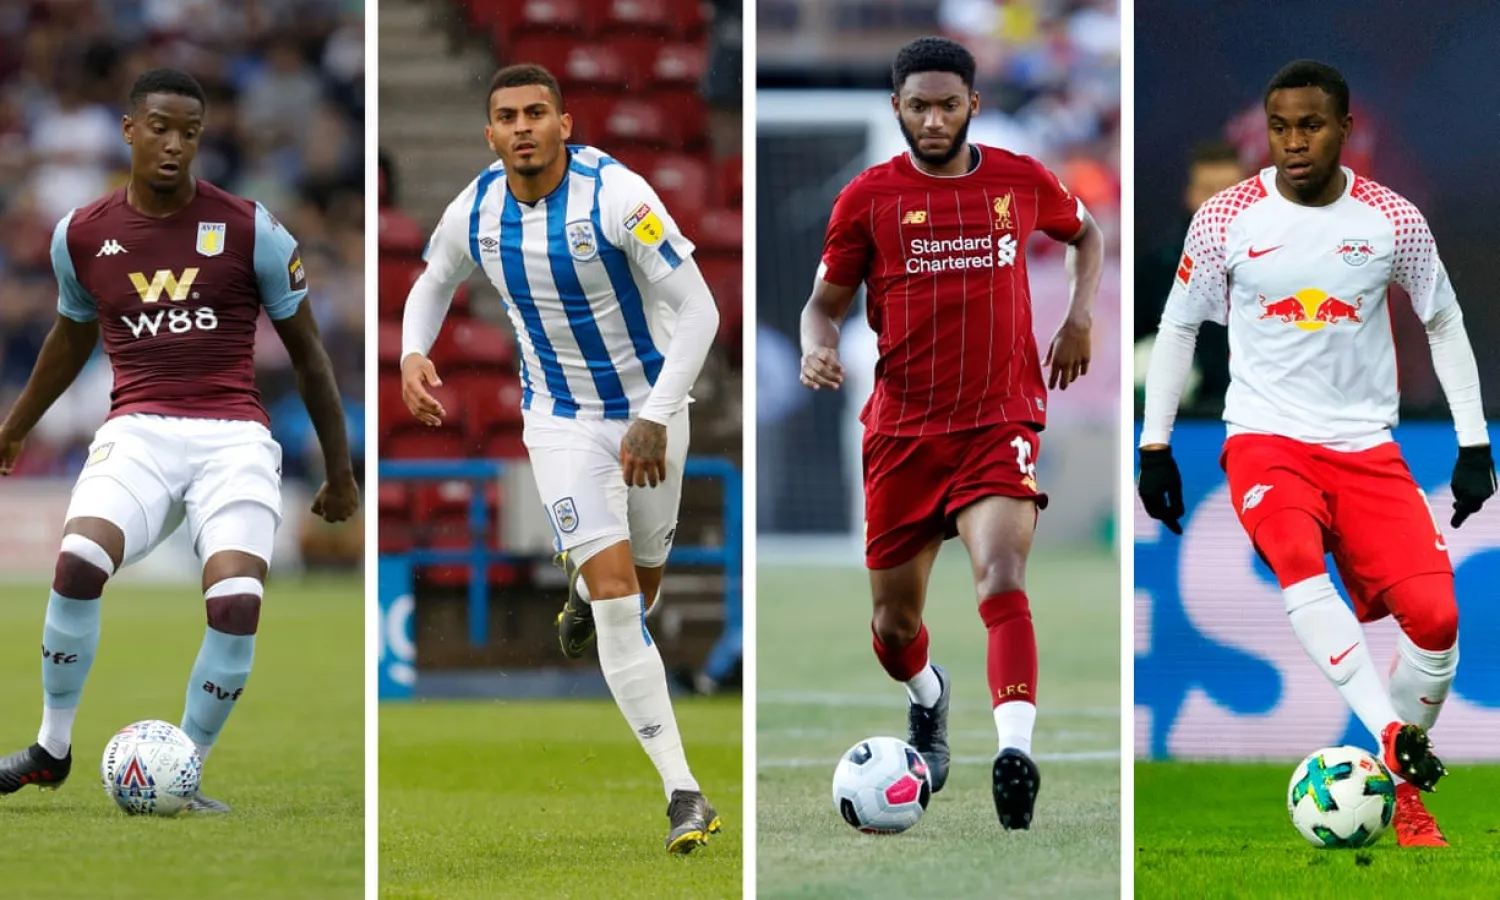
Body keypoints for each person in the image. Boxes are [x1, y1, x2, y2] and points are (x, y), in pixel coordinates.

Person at [1136, 59, 1495, 848]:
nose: (1293, 142)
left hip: (1367, 449)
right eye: (1280, 127)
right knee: (1297, 561)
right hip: (1266, 441)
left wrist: (1473, 442)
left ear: (1344, 129)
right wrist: (1155, 444)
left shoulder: (1392, 221)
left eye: (1310, 126)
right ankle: (1394, 745)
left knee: (1437, 621)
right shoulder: (1227, 217)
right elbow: (1180, 327)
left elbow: (1442, 321)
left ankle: (1400, 777)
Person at [0, 68, 359, 809]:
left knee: (236, 602)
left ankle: (185, 769)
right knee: (77, 562)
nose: (173, 145)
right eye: (160, 128)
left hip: (235, 438)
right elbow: (70, 338)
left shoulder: (252, 229)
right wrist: (14, 429)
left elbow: (310, 356)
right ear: (129, 130)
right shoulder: (81, 234)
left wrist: (340, 469)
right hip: (138, 430)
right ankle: (51, 748)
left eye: (189, 133)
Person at [398, 64, 723, 854]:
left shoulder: (618, 197)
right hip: (559, 421)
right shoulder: (475, 208)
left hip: (652, 409)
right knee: (620, 601)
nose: (523, 127)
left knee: (642, 589)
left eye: (537, 113)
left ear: (564, 125)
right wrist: (411, 352)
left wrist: (654, 417)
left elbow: (701, 311)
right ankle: (683, 792)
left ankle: (580, 588)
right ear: (490, 134)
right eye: (508, 116)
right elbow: (434, 279)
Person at [798, 36, 1104, 831]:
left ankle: (1014, 753)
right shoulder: (867, 198)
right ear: (896, 109)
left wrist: (1079, 316)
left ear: (973, 104)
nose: (933, 121)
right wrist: (816, 346)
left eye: (947, 105)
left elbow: (1086, 234)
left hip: (998, 421)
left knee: (1001, 578)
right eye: (918, 107)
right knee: (893, 627)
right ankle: (928, 696)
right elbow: (823, 305)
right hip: (903, 433)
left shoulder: (1019, 179)